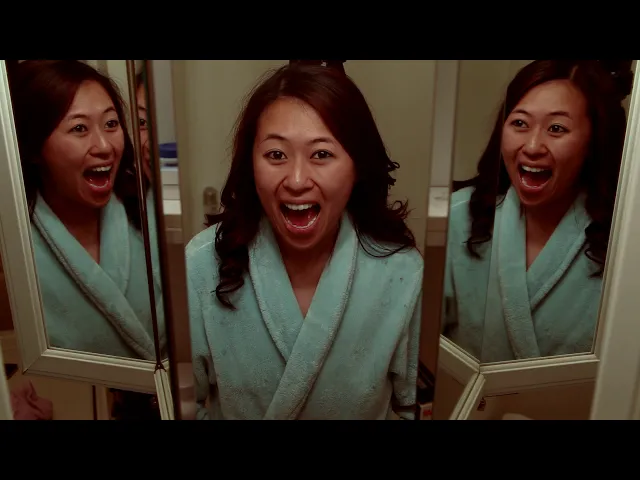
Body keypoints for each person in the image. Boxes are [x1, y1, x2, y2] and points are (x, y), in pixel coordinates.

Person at [186, 63, 424, 420]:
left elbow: (407, 406)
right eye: (276, 155)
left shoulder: (401, 272)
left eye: (321, 154)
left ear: (357, 166)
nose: (297, 180)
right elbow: (185, 406)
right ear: (250, 164)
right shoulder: (202, 265)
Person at [443, 60, 630, 363]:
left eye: (556, 128)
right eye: (520, 123)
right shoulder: (459, 217)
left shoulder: (625, 237)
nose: (532, 146)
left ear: (593, 142)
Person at [8, 60, 166, 361]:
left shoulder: (147, 212)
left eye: (111, 124)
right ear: (34, 149)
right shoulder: (16, 250)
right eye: (79, 128)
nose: (105, 146)